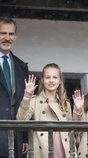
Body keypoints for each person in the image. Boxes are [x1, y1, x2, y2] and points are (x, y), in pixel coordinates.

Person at [16, 63, 75, 158]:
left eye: (55, 77)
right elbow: (20, 120)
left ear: (60, 80)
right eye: (47, 77)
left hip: (64, 150)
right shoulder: (34, 101)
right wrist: (27, 96)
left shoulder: (66, 103)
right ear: (42, 80)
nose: (51, 81)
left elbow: (72, 131)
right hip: (41, 152)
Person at [0, 17, 29, 158]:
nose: (7, 38)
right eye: (3, 33)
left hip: (16, 136)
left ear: (16, 37)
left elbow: (26, 104)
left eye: (11, 34)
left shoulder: (22, 66)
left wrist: (24, 138)